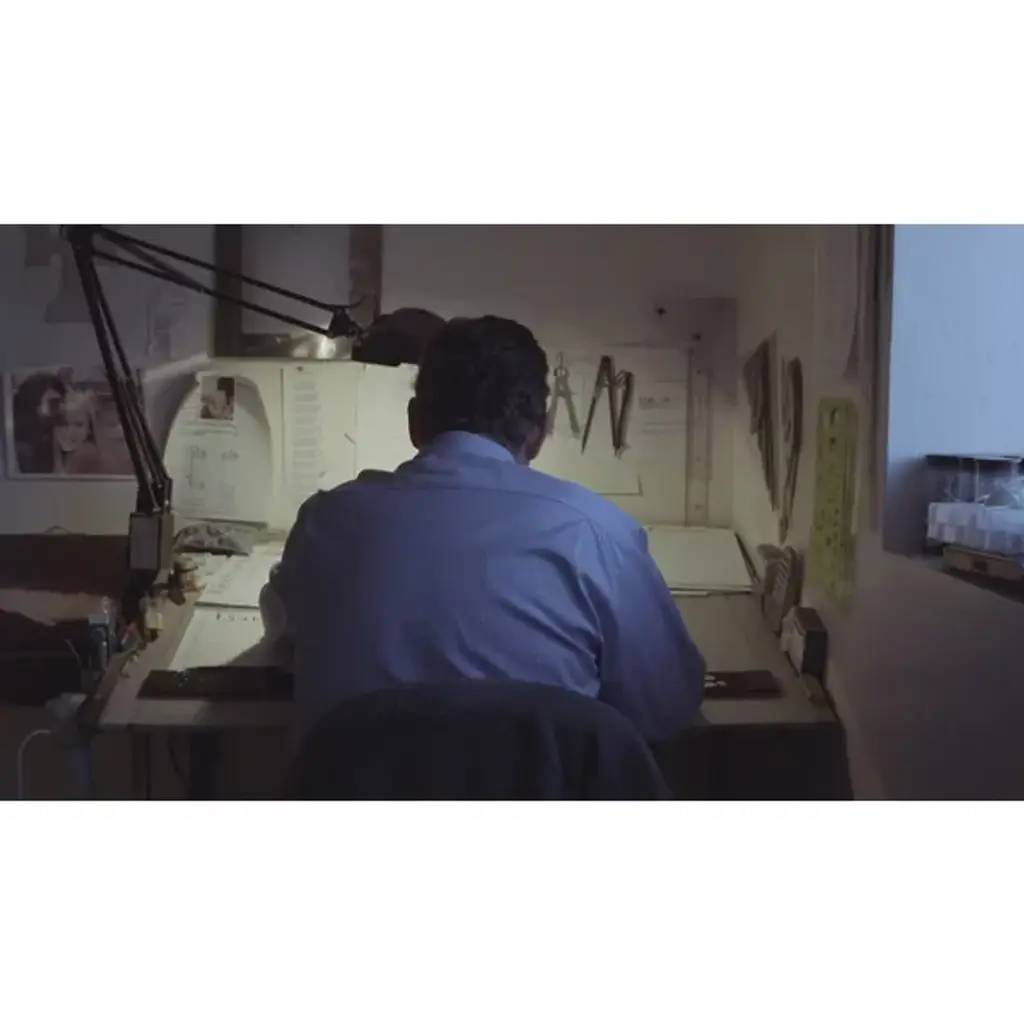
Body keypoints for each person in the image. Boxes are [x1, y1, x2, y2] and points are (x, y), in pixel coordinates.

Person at [261, 315, 705, 744]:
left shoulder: (325, 522)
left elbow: (285, 646)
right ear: (539, 433)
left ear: (415, 422)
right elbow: (666, 707)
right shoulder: (598, 532)